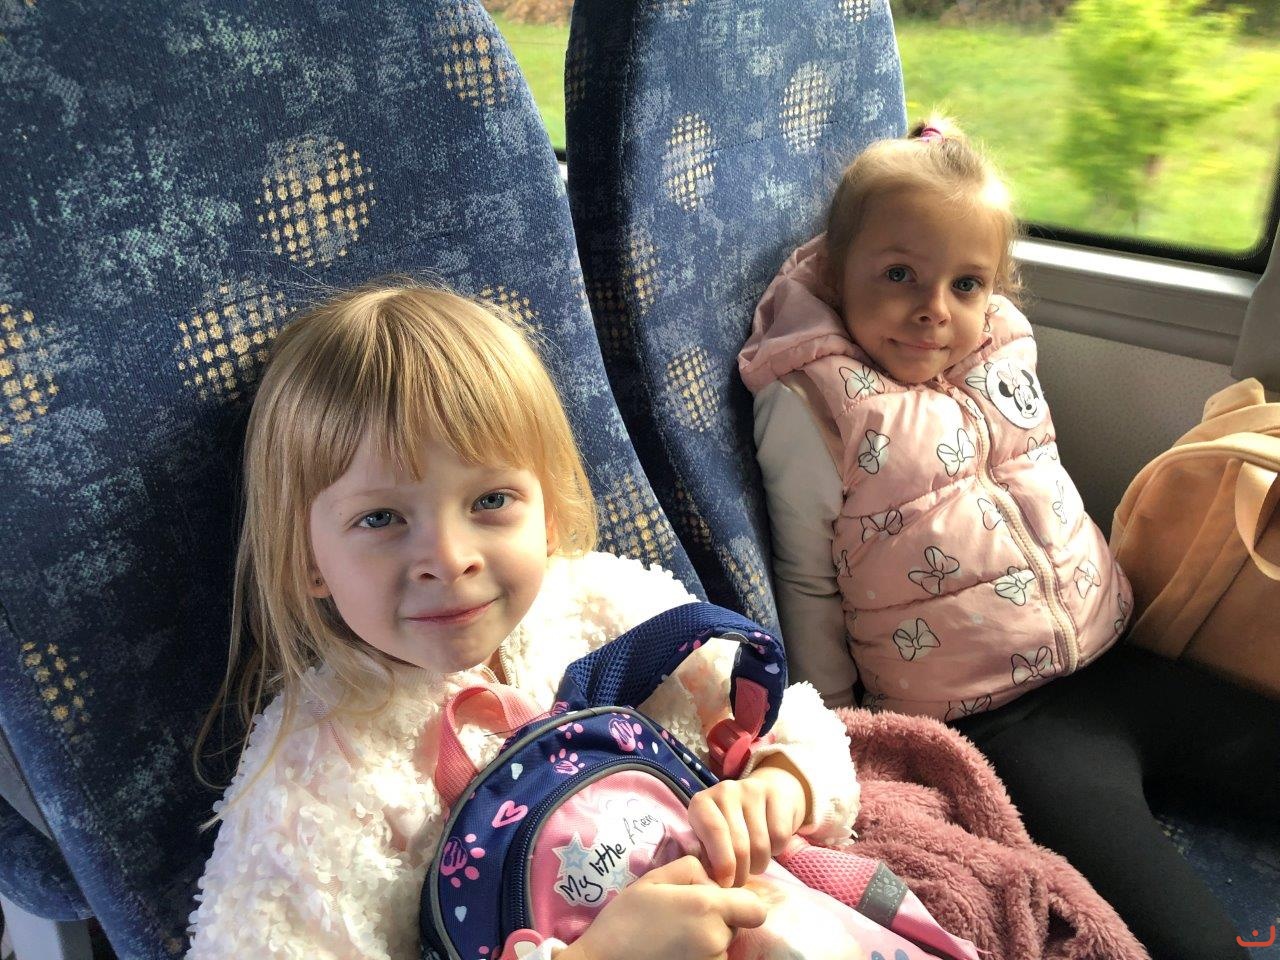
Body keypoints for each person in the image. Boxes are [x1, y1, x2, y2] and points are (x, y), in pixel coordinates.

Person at [185, 280, 860, 960]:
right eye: (381, 518)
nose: (449, 559)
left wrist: (778, 788)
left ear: (549, 514)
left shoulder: (600, 605)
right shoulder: (315, 775)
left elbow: (797, 725)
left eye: (490, 500)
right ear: (308, 559)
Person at [738, 116, 1280, 960]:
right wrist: (837, 733)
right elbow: (807, 578)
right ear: (838, 273)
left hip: (1112, 661)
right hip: (1002, 721)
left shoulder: (999, 351)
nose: (934, 309)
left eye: (966, 284)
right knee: (1184, 935)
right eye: (899, 275)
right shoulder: (813, 403)